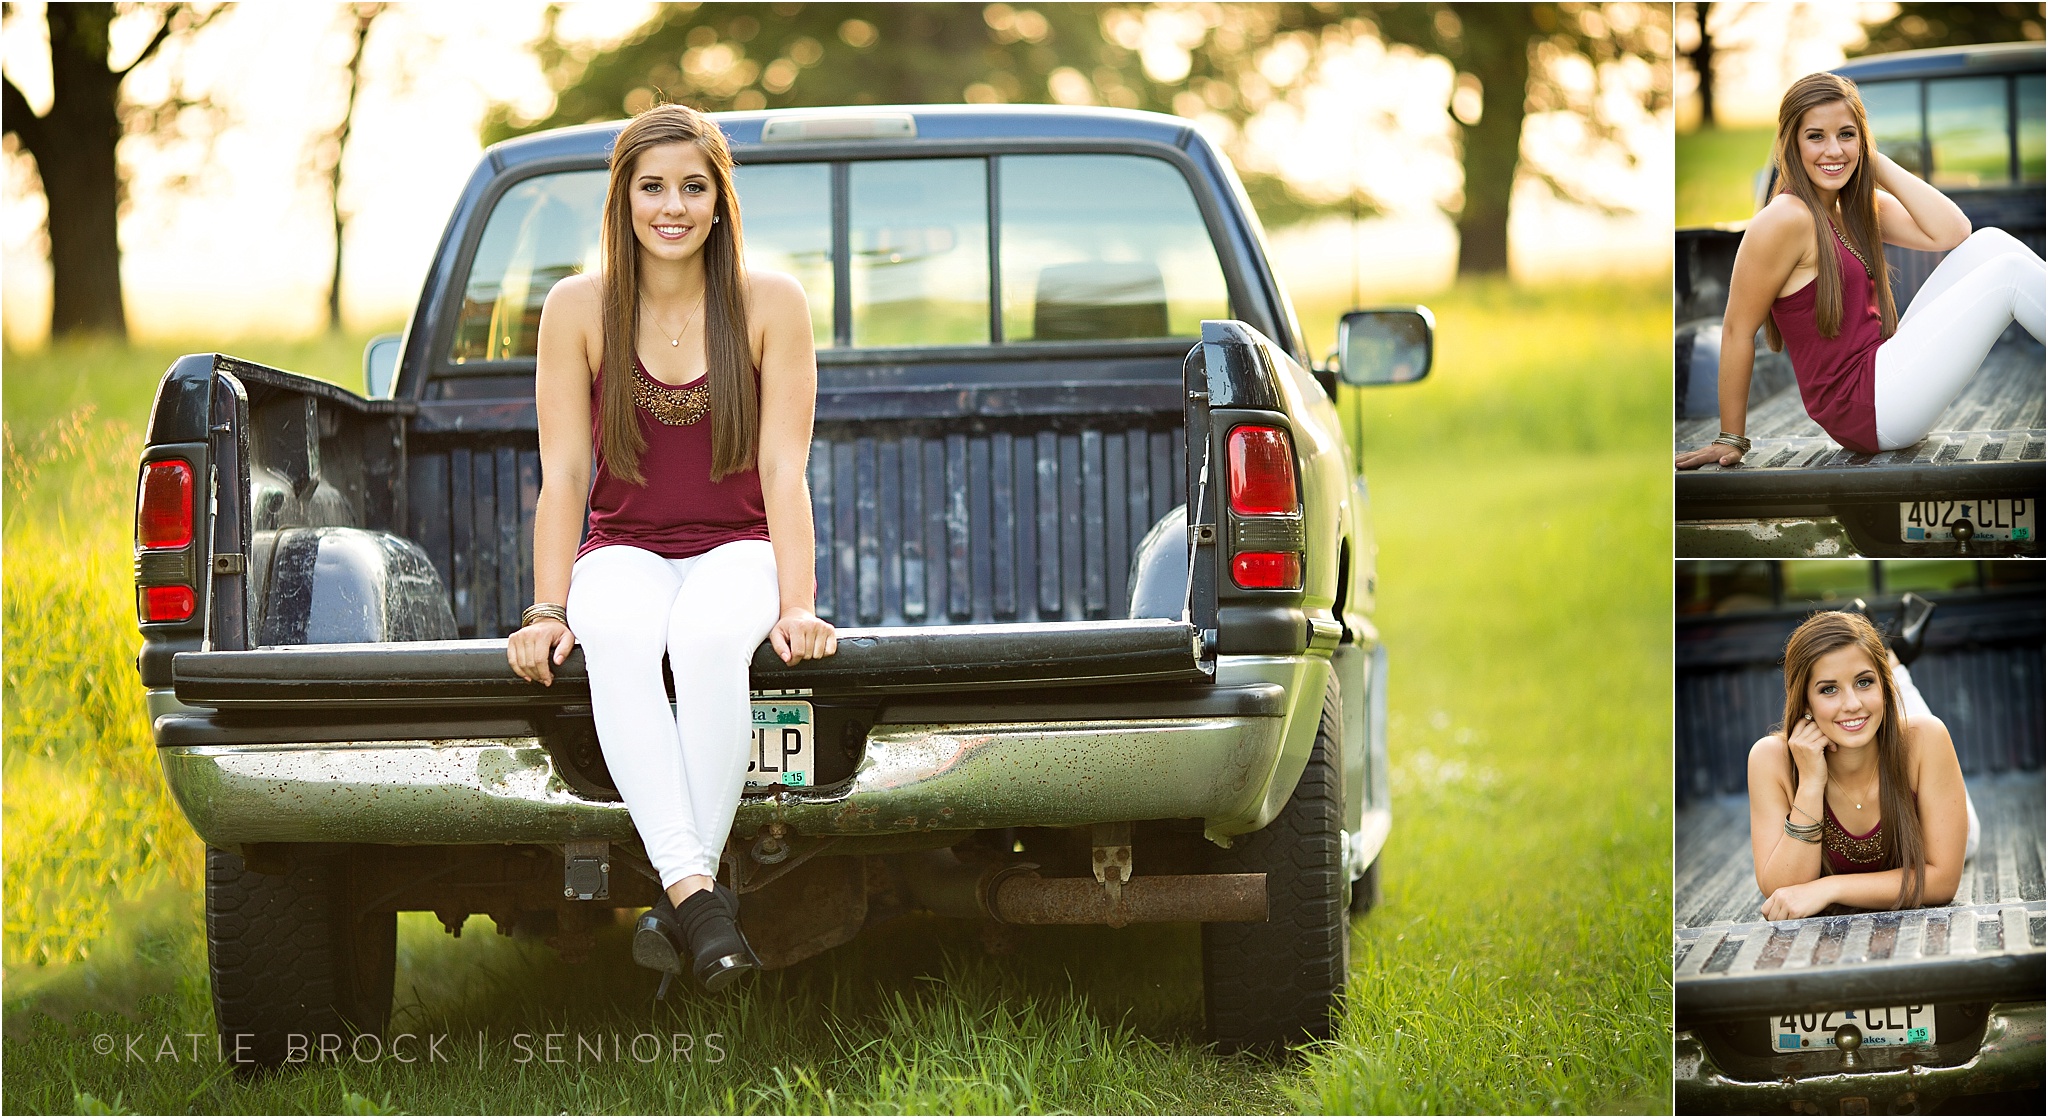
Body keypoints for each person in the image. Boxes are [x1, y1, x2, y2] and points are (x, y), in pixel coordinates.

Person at [504, 103, 837, 994]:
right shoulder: (577, 307)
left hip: (740, 546)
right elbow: (567, 476)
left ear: (720, 201)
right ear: (623, 198)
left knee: (699, 642)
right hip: (623, 547)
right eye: (652, 186)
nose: (673, 206)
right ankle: (702, 902)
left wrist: (798, 604)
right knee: (613, 632)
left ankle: (680, 902)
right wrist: (544, 610)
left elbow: (783, 468)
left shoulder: (772, 303)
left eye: (694, 187)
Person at [1677, 72, 2046, 469]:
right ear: (1791, 142)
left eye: (1846, 135)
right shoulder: (1784, 219)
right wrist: (1731, 438)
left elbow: (1955, 231)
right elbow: (1736, 330)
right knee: (2008, 274)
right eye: (1816, 136)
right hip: (1867, 408)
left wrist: (1873, 160)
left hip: (1885, 373)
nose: (1833, 150)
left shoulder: (1853, 207)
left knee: (1992, 243)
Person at [1746, 605, 1979, 922]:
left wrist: (1830, 888)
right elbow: (1784, 890)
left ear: (1882, 685)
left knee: (1971, 835)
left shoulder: (1929, 739)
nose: (1851, 704)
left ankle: (1892, 663)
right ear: (1804, 701)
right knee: (1873, 717)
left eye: (1864, 682)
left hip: (1927, 811)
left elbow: (1941, 883)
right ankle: (1882, 653)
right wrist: (1811, 784)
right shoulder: (1769, 759)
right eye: (1829, 689)